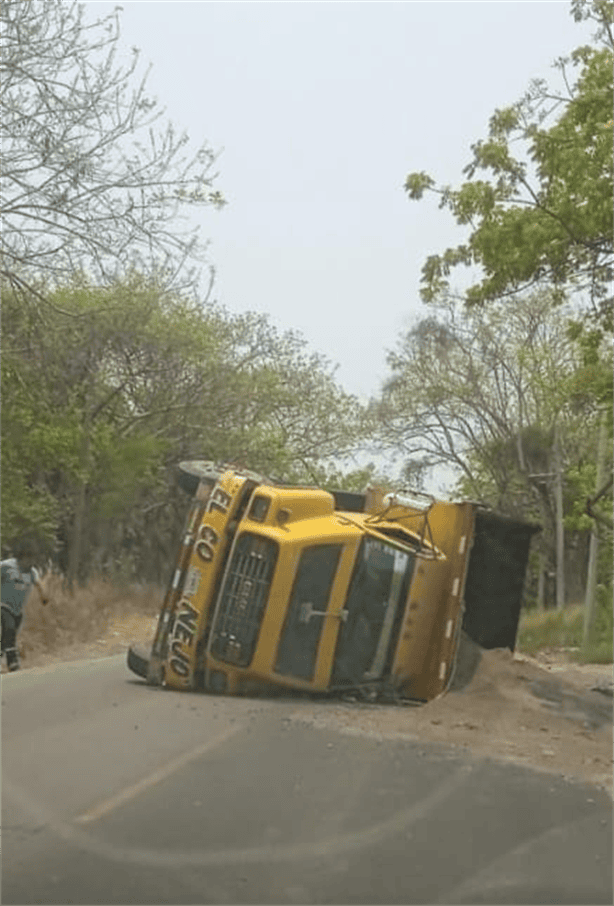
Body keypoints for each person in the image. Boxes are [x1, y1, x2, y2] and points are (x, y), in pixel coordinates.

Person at [1, 546, 49, 672]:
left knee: (10, 635)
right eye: (29, 560)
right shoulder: (6, 566)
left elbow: (38, 583)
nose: (31, 563)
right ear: (22, 558)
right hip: (3, 605)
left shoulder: (32, 571)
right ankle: (12, 661)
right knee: (9, 628)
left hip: (18, 609)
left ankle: (2, 654)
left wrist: (43, 595)